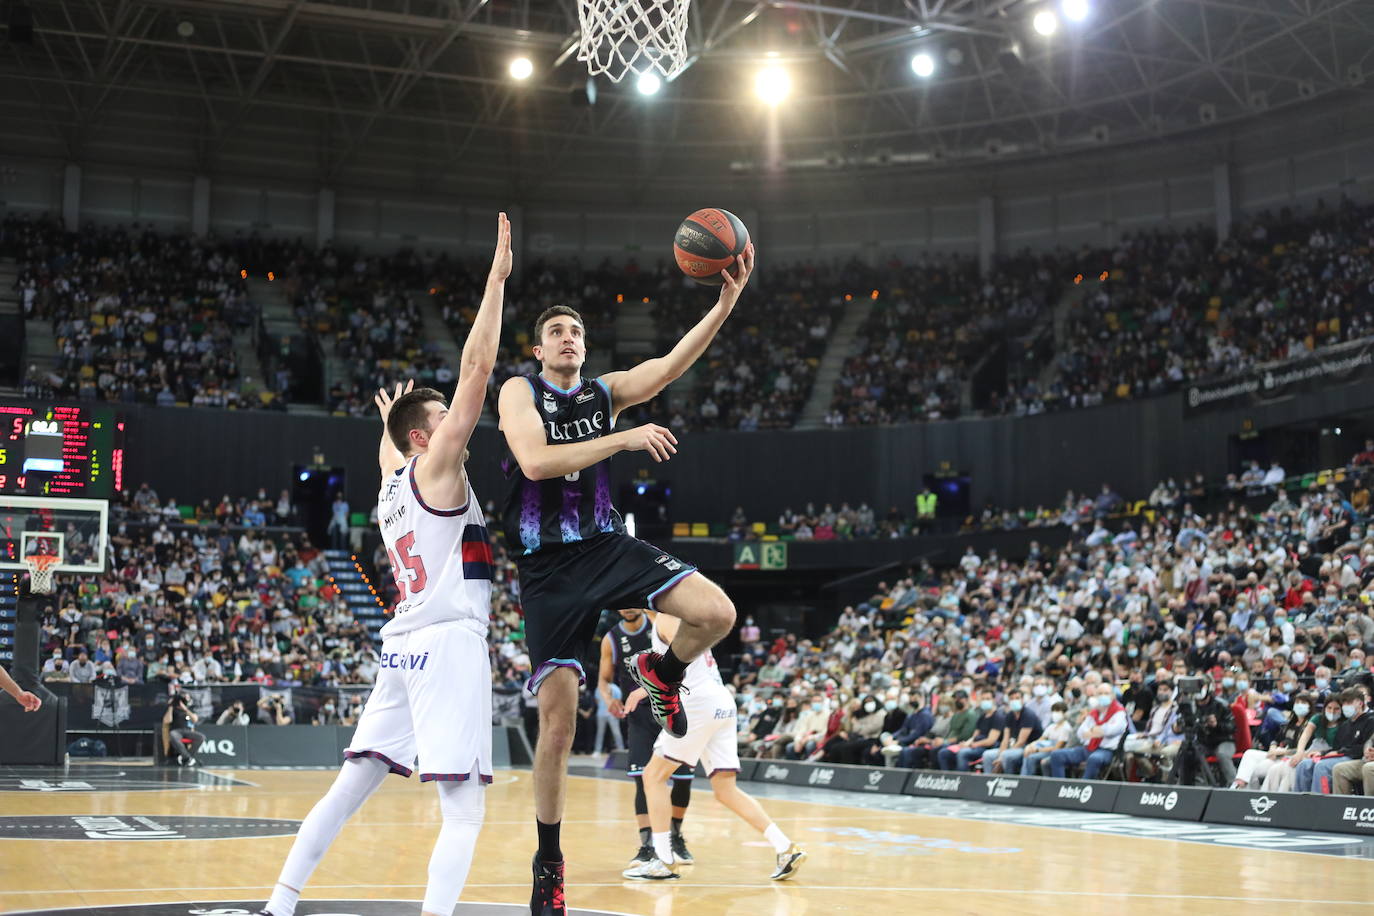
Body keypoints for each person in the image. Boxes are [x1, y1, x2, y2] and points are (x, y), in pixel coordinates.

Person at [256, 212, 510, 916]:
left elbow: (387, 452)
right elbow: (478, 369)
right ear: (427, 437)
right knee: (462, 811)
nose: (458, 419)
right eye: (441, 416)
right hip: (449, 640)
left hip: (400, 652)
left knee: (349, 788)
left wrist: (385, 422)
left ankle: (280, 902)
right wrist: (494, 281)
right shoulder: (436, 469)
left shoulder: (391, 487)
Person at [497, 244, 755, 913]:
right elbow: (533, 462)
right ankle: (549, 857)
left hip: (608, 547)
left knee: (717, 613)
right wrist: (623, 438)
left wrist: (723, 304)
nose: (569, 338)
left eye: (577, 331)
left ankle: (663, 673)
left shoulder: (603, 392)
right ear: (538, 349)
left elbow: (667, 367)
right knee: (557, 728)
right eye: (557, 332)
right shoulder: (519, 391)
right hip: (548, 568)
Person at [624, 611, 805, 881]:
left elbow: (680, 663)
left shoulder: (666, 618)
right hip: (721, 702)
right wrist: (644, 688)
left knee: (653, 776)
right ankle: (785, 847)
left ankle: (663, 860)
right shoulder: (681, 618)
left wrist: (651, 686)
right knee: (725, 789)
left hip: (698, 704)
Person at [598, 609, 695, 869]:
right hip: (639, 717)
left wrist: (644, 690)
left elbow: (678, 665)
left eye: (632, 602)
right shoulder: (612, 639)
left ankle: (675, 836)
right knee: (643, 778)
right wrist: (609, 699)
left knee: (683, 779)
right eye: (622, 604)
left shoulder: (660, 623)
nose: (628, 607)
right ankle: (647, 845)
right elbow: (604, 680)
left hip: (671, 707)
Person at [163, 682, 204, 766]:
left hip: (188, 731)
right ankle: (188, 758)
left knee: (201, 737)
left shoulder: (190, 709)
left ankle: (185, 757)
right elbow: (167, 721)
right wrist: (171, 705)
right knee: (173, 734)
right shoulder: (173, 709)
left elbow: (195, 719)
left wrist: (185, 709)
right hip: (177, 731)